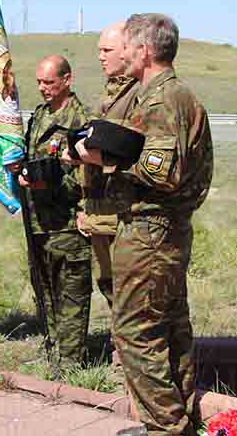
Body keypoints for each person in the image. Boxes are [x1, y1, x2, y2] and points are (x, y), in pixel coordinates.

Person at [74, 14, 213, 435]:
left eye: (130, 46)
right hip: (164, 229)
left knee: (134, 330)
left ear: (145, 51)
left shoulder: (161, 99)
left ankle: (165, 427)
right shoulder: (171, 95)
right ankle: (177, 420)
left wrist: (104, 158)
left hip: (149, 229)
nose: (125, 53)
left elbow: (161, 171)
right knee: (170, 327)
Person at [17, 55, 93, 369]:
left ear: (67, 80)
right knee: (45, 288)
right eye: (39, 82)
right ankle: (53, 352)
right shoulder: (39, 116)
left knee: (71, 291)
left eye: (49, 82)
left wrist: (49, 187)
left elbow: (87, 176)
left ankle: (72, 361)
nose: (43, 89)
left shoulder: (81, 120)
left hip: (67, 221)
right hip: (38, 219)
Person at [75, 23, 141, 309]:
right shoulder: (110, 94)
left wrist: (87, 154)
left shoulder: (138, 93)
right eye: (98, 50)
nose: (101, 57)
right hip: (99, 209)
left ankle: (128, 350)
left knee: (129, 291)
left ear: (126, 51)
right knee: (109, 284)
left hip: (122, 212)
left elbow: (129, 152)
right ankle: (120, 346)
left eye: (107, 50)